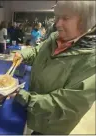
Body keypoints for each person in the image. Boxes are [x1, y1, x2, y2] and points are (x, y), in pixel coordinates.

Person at [8, 1, 96, 135]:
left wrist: (24, 97)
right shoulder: (55, 37)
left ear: (85, 21)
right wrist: (23, 55)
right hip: (38, 114)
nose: (57, 24)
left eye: (65, 18)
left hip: (54, 126)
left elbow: (67, 105)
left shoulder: (91, 60)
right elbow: (39, 50)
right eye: (57, 17)